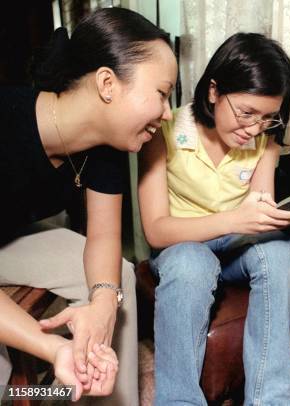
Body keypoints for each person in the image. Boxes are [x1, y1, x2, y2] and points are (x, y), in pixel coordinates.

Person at [138, 32, 290, 405]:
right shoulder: (162, 130)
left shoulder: (266, 140)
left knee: (277, 251)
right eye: (246, 113)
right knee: (191, 263)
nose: (254, 128)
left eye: (267, 118)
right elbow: (156, 229)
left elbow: (259, 208)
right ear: (213, 91)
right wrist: (235, 220)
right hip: (180, 245)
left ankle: (269, 400)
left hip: (235, 246)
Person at [0, 7, 177, 404]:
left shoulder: (108, 147)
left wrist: (102, 302)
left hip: (9, 235)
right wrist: (57, 350)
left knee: (119, 281)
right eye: (162, 93)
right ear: (107, 83)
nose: (167, 114)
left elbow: (103, 237)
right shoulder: (7, 121)